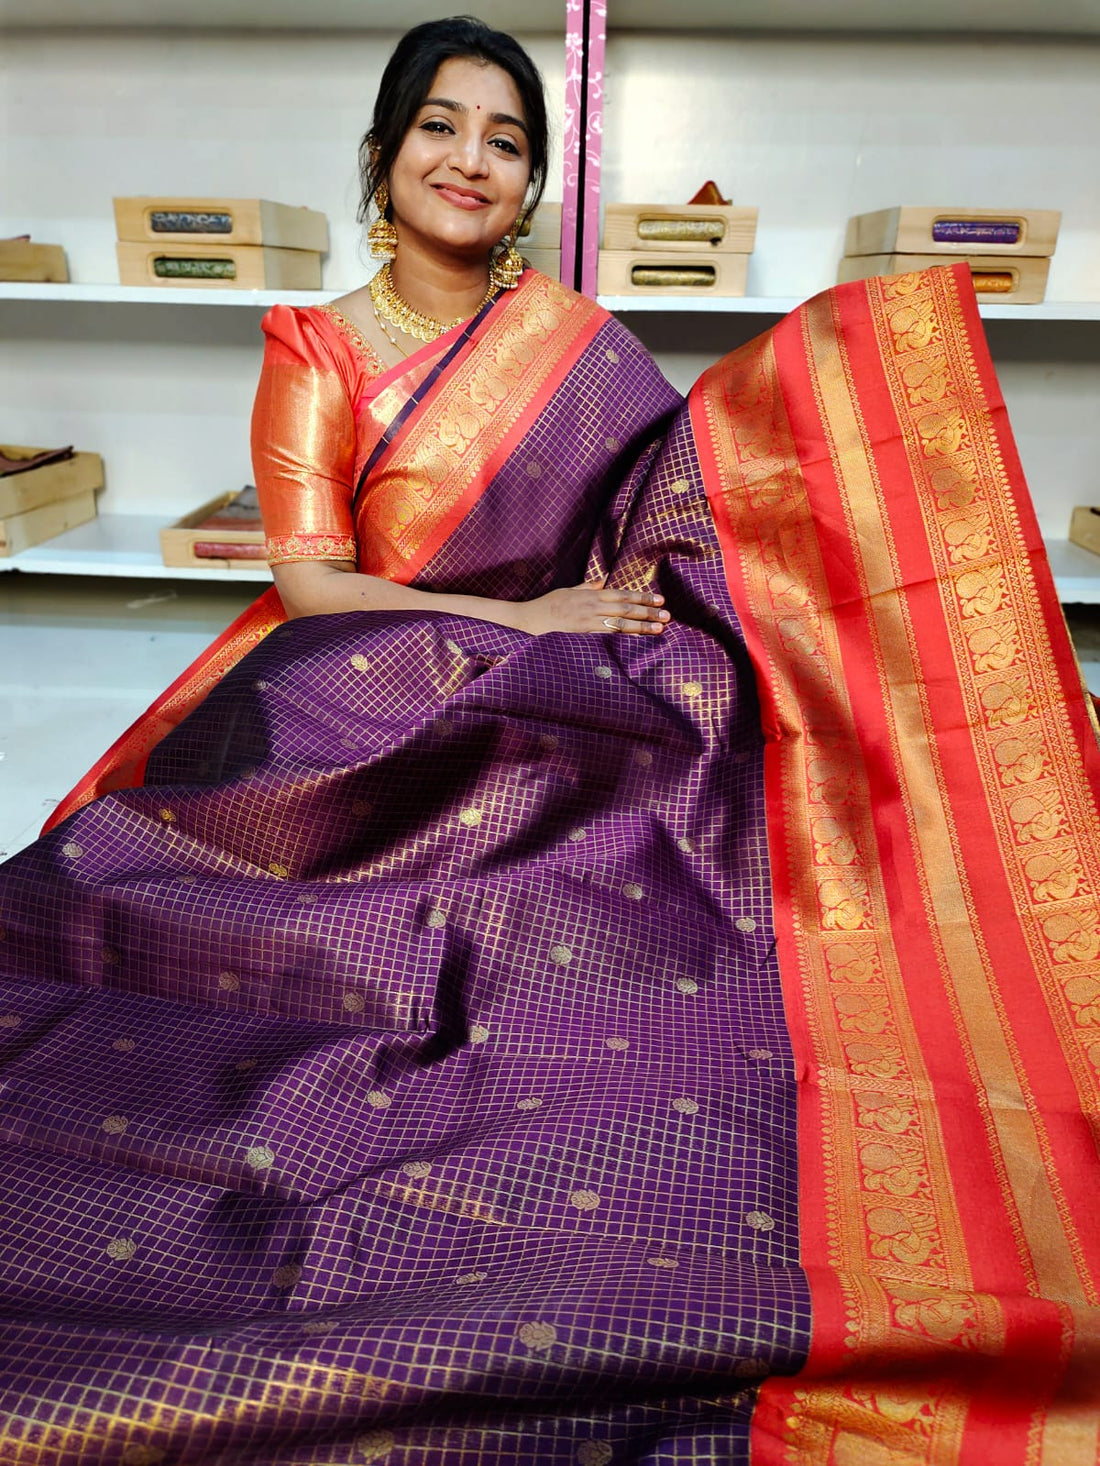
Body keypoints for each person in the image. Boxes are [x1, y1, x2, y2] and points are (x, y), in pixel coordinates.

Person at [1, 17, 1098, 1464]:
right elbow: (315, 583)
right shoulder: (318, 346)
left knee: (695, 748)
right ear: (384, 155)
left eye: (506, 140)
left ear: (530, 183)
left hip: (554, 666)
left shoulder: (576, 344)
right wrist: (518, 620)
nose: (471, 159)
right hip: (369, 667)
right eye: (440, 126)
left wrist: (817, 421)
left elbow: (670, 498)